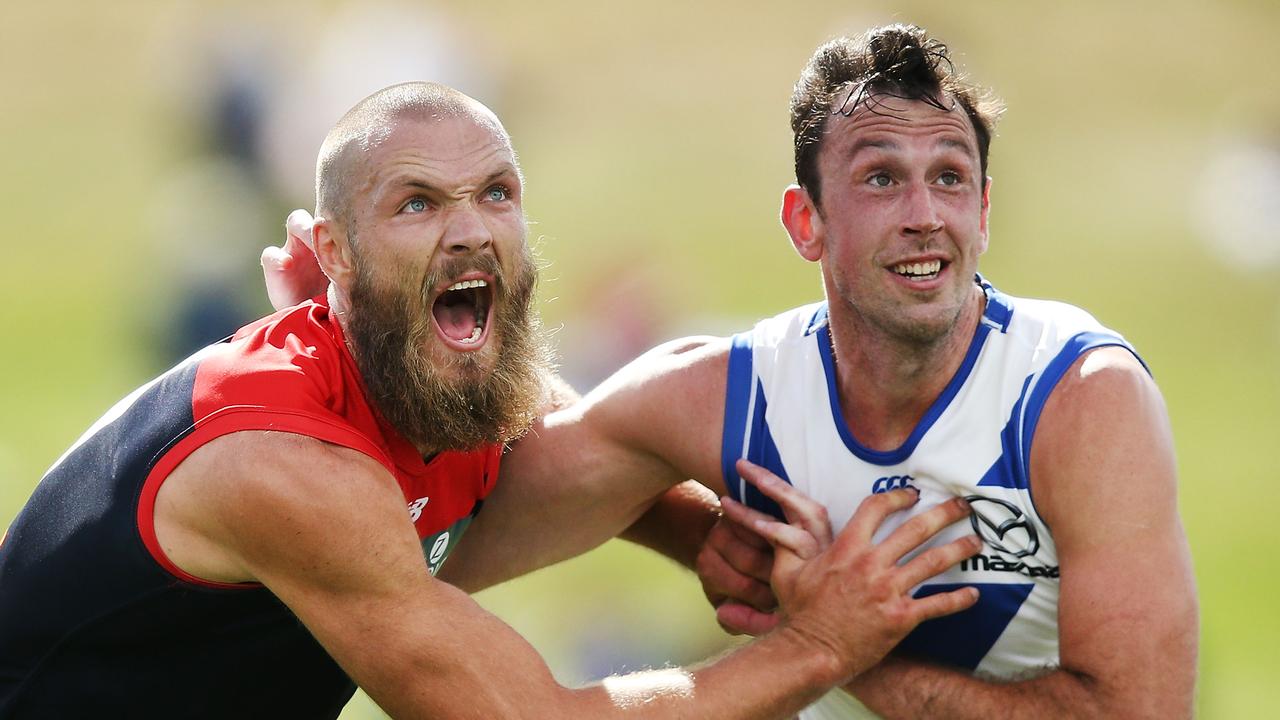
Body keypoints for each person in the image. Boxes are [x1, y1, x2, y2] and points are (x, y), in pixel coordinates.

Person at [263, 25, 1197, 718]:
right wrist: (354, 331)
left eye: (950, 177)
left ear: (984, 212)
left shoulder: (1077, 399)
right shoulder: (715, 399)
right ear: (805, 223)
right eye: (880, 178)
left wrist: (841, 644)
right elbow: (433, 546)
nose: (925, 214)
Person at [0, 82, 982, 718]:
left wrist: (697, 534)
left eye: (495, 194)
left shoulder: (434, 369)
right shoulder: (287, 468)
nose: (470, 230)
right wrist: (815, 646)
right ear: (336, 255)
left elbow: (568, 435)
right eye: (417, 203)